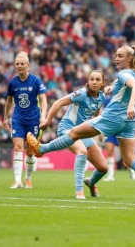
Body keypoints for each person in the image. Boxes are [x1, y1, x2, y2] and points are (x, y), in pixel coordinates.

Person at [28, 45, 135, 204]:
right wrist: (114, 89)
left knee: (73, 133)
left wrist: (129, 105)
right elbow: (127, 86)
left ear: (129, 58)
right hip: (129, 122)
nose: (116, 58)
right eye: (115, 55)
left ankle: (41, 149)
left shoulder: (124, 73)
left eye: (120, 56)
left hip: (114, 116)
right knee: (130, 159)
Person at [39, 70, 108, 199]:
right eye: (91, 79)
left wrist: (95, 131)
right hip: (67, 129)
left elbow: (96, 116)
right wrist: (48, 121)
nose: (94, 82)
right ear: (88, 81)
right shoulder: (81, 94)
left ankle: (91, 183)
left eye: (97, 80)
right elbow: (57, 103)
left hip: (83, 133)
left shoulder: (101, 97)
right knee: (81, 151)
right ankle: (79, 192)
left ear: (103, 83)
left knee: (103, 168)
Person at [3, 52, 47, 189]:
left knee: (30, 152)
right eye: (17, 64)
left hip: (33, 119)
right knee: (17, 147)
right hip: (18, 118)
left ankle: (28, 178)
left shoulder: (35, 81)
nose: (19, 66)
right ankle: (17, 181)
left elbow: (44, 99)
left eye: (22, 64)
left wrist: (43, 115)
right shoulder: (12, 83)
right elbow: (9, 100)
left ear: (28, 65)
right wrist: (5, 117)